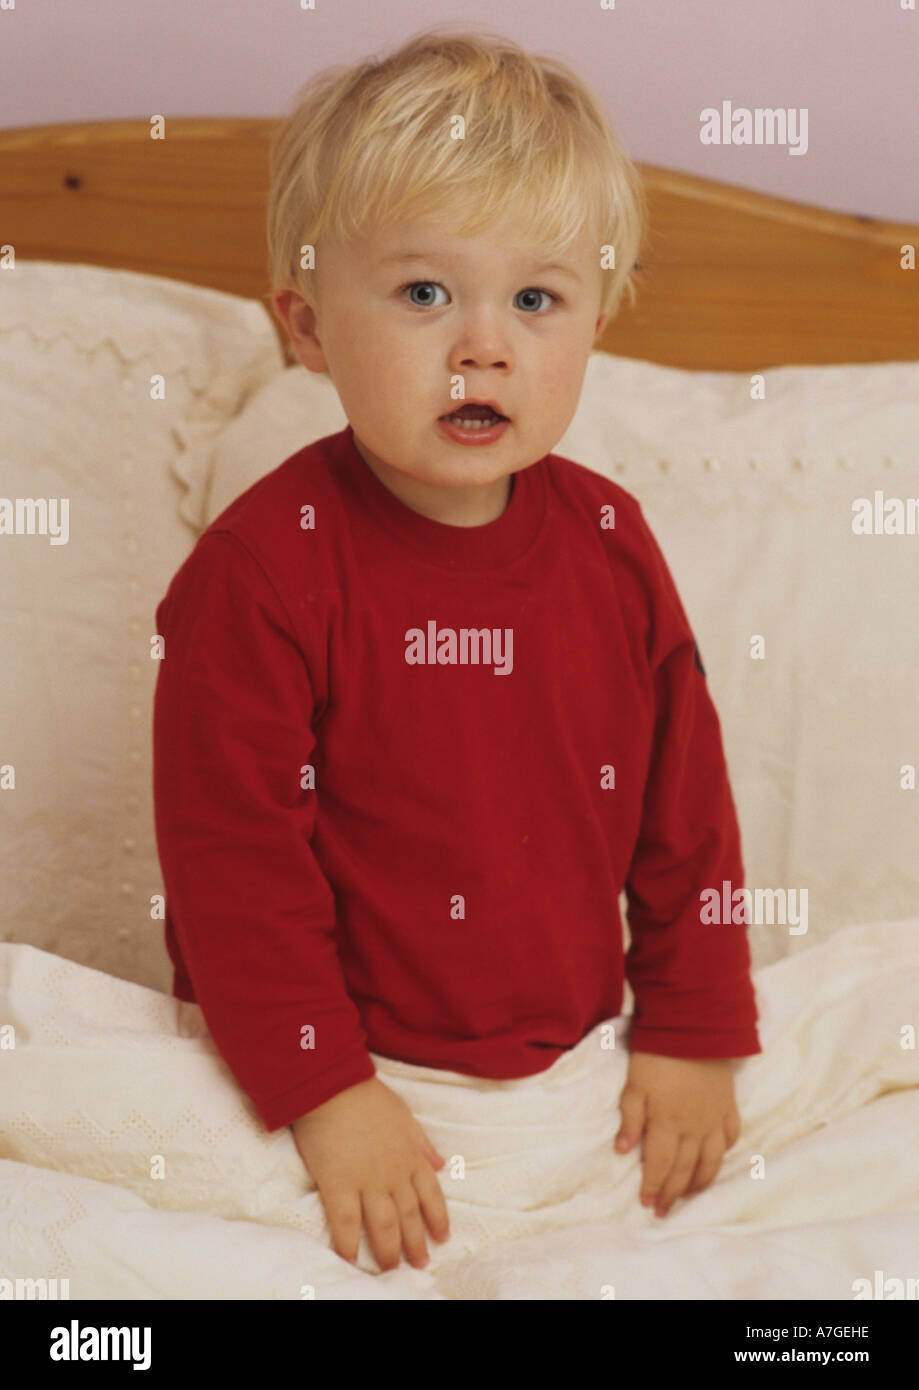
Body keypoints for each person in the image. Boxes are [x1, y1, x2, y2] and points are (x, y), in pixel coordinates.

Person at [152, 26, 760, 1277]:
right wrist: (327, 1090)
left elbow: (682, 805)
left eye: (534, 299)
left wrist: (693, 1025)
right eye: (424, 293)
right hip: (334, 1068)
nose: (483, 344)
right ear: (309, 328)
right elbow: (231, 863)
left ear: (595, 322)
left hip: (573, 1065)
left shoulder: (609, 540)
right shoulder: (266, 570)